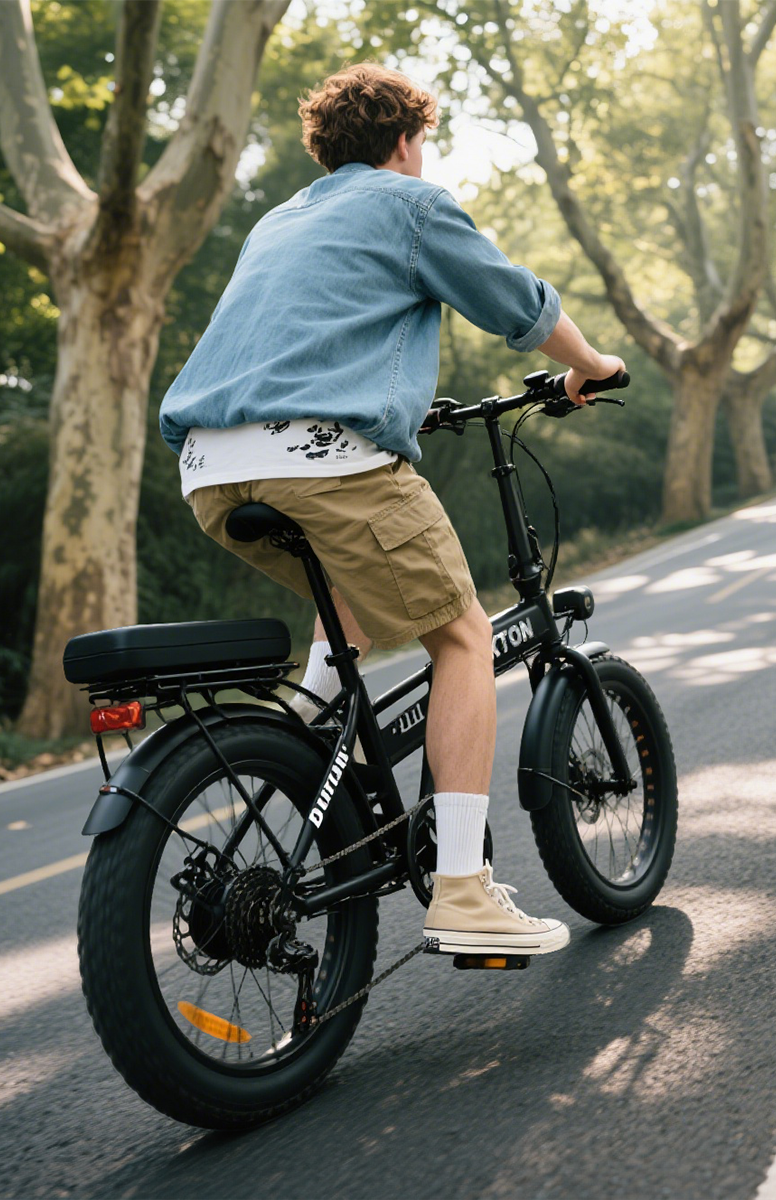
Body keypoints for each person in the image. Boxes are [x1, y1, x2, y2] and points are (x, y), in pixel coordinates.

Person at [159, 63, 624, 958]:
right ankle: (462, 889)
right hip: (324, 461)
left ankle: (310, 771)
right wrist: (591, 366)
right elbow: (515, 302)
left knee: (356, 613)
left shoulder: (278, 220)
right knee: (462, 637)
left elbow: (304, 338)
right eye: (424, 143)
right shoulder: (409, 203)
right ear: (406, 141)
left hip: (212, 469)